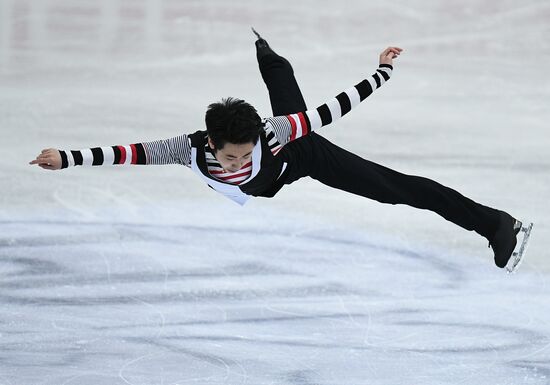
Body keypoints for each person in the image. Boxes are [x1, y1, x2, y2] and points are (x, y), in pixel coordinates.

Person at [29, 29, 524, 271]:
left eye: (245, 155)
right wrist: (65, 158)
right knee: (284, 86)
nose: (238, 163)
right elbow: (125, 153)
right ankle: (268, 53)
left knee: (393, 189)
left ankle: (493, 222)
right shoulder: (185, 149)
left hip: (299, 155)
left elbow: (337, 107)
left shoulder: (274, 133)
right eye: (231, 158)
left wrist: (383, 70)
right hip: (274, 169)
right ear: (210, 144)